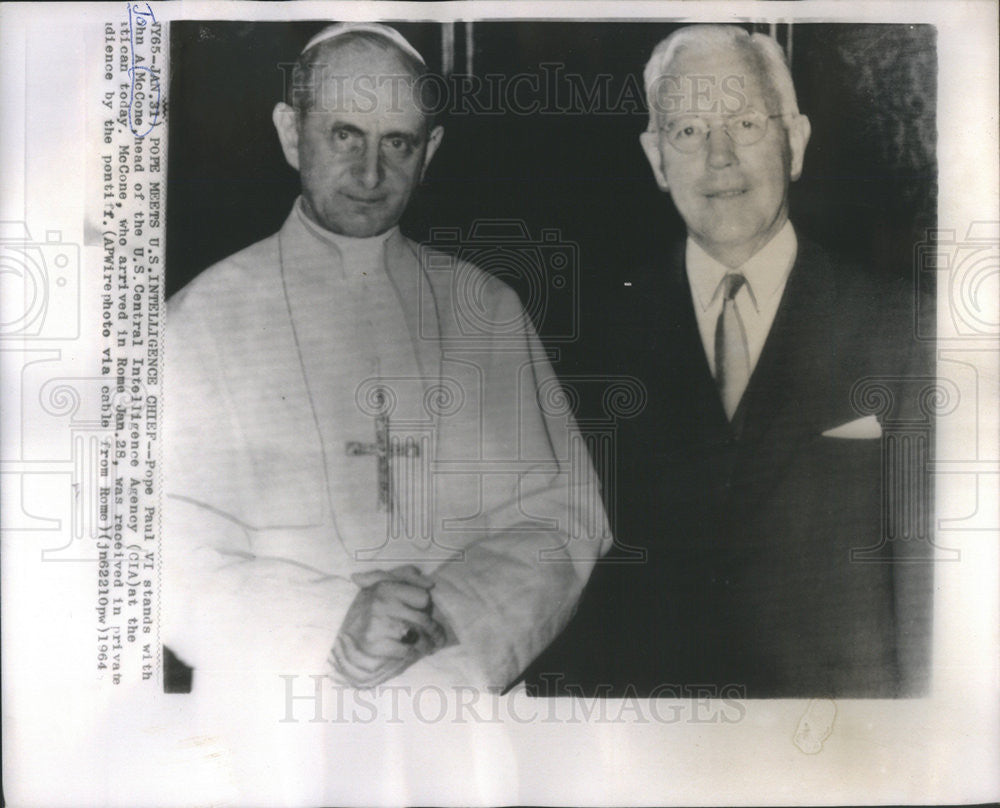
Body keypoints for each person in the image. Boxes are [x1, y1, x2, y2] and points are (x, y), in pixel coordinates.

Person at [163, 22, 609, 696]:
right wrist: (332, 625)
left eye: (396, 142)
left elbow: (565, 515)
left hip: (457, 702)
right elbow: (159, 545)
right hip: (274, 712)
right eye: (345, 135)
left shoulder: (485, 309)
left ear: (429, 150)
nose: (371, 174)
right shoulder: (201, 319)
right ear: (291, 132)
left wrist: (451, 613)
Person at [526, 24, 933, 697]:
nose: (719, 158)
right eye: (687, 132)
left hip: (834, 745)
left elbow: (933, 588)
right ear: (656, 158)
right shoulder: (588, 338)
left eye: (745, 122)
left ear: (794, 141)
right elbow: (564, 563)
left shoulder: (904, 328)